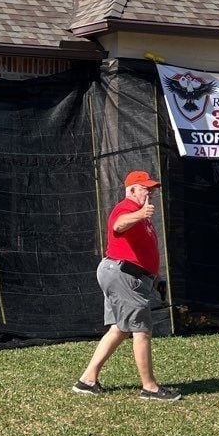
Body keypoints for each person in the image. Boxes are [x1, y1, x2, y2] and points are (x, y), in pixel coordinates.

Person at [74, 170, 181, 401]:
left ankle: (87, 380)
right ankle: (149, 388)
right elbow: (118, 226)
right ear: (131, 190)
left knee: (119, 329)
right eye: (145, 189)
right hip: (123, 274)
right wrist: (141, 213)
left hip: (121, 273)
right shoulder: (126, 209)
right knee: (141, 330)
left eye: (151, 189)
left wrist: (156, 276)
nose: (150, 193)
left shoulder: (142, 216)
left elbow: (144, 251)